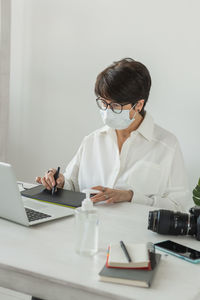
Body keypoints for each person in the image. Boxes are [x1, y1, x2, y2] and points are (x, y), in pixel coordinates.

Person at [36, 58, 189, 211]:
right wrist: (60, 182)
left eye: (115, 105)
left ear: (139, 105)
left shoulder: (167, 146)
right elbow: (73, 185)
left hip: (134, 233)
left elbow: (179, 206)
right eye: (103, 103)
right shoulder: (92, 141)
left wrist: (130, 196)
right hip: (88, 227)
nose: (107, 110)